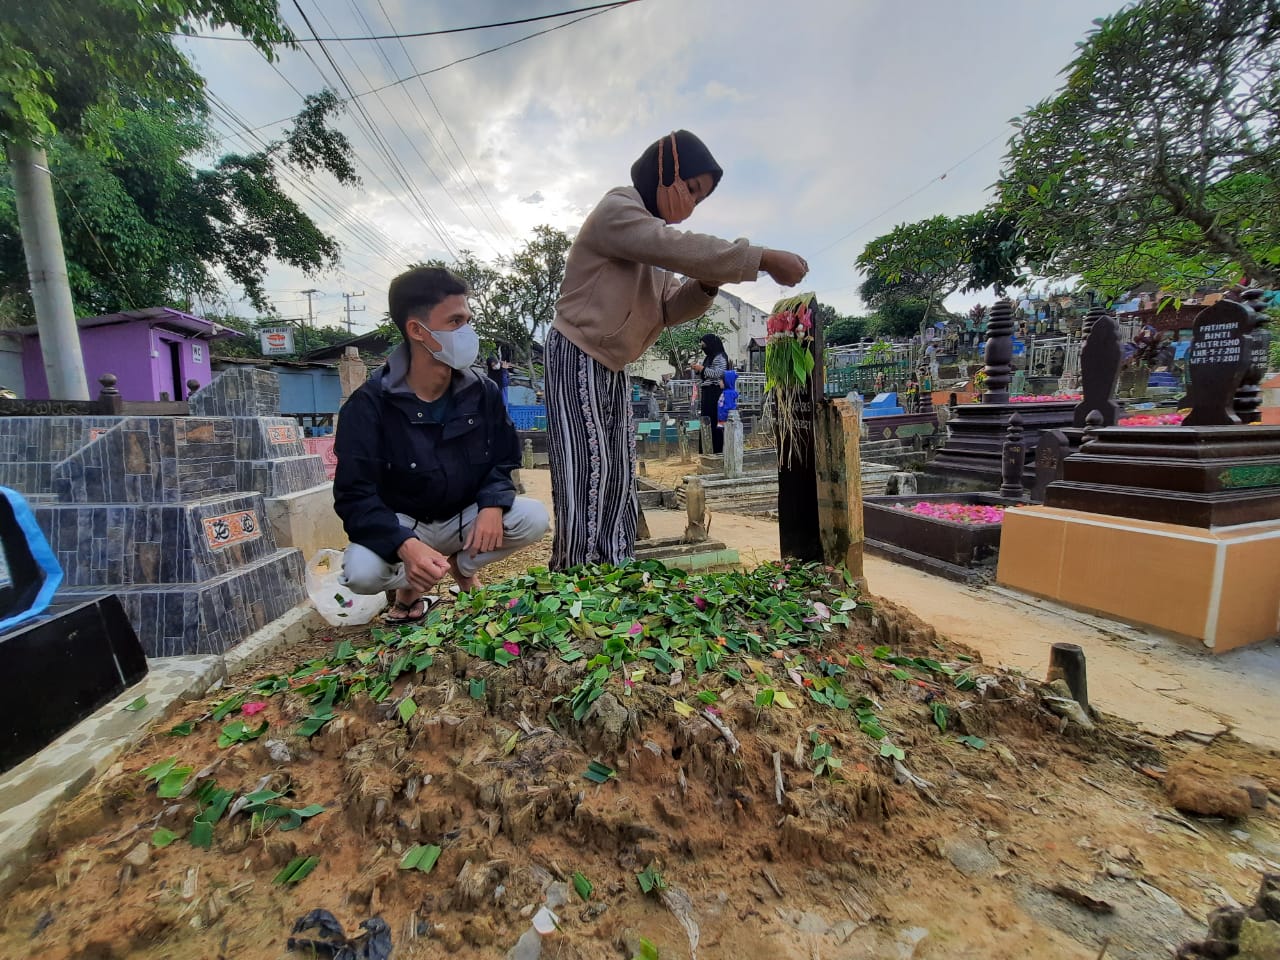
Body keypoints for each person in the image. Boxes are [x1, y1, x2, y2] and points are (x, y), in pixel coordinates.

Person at [545, 129, 808, 571]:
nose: (691, 202)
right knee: (587, 470)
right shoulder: (619, 211)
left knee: (616, 472)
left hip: (611, 363)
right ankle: (577, 577)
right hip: (577, 351)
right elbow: (676, 248)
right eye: (690, 188)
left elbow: (669, 308)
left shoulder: (650, 243)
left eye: (699, 198)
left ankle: (613, 567)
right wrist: (759, 257)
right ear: (663, 171)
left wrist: (708, 281)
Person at [333, 267, 550, 623]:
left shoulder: (482, 392)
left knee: (534, 518)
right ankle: (416, 577)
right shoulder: (369, 405)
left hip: (462, 517)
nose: (467, 332)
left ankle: (458, 566)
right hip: (405, 522)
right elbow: (355, 496)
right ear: (417, 330)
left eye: (467, 320)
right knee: (361, 573)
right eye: (455, 321)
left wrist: (493, 505)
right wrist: (404, 544)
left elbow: (503, 458)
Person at [692, 333, 729, 453]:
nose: (703, 347)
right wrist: (697, 370)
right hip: (707, 392)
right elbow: (706, 373)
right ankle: (706, 448)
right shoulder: (708, 357)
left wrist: (701, 369)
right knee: (706, 420)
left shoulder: (720, 356)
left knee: (715, 421)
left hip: (716, 392)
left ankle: (717, 449)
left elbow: (718, 373)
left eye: (704, 345)